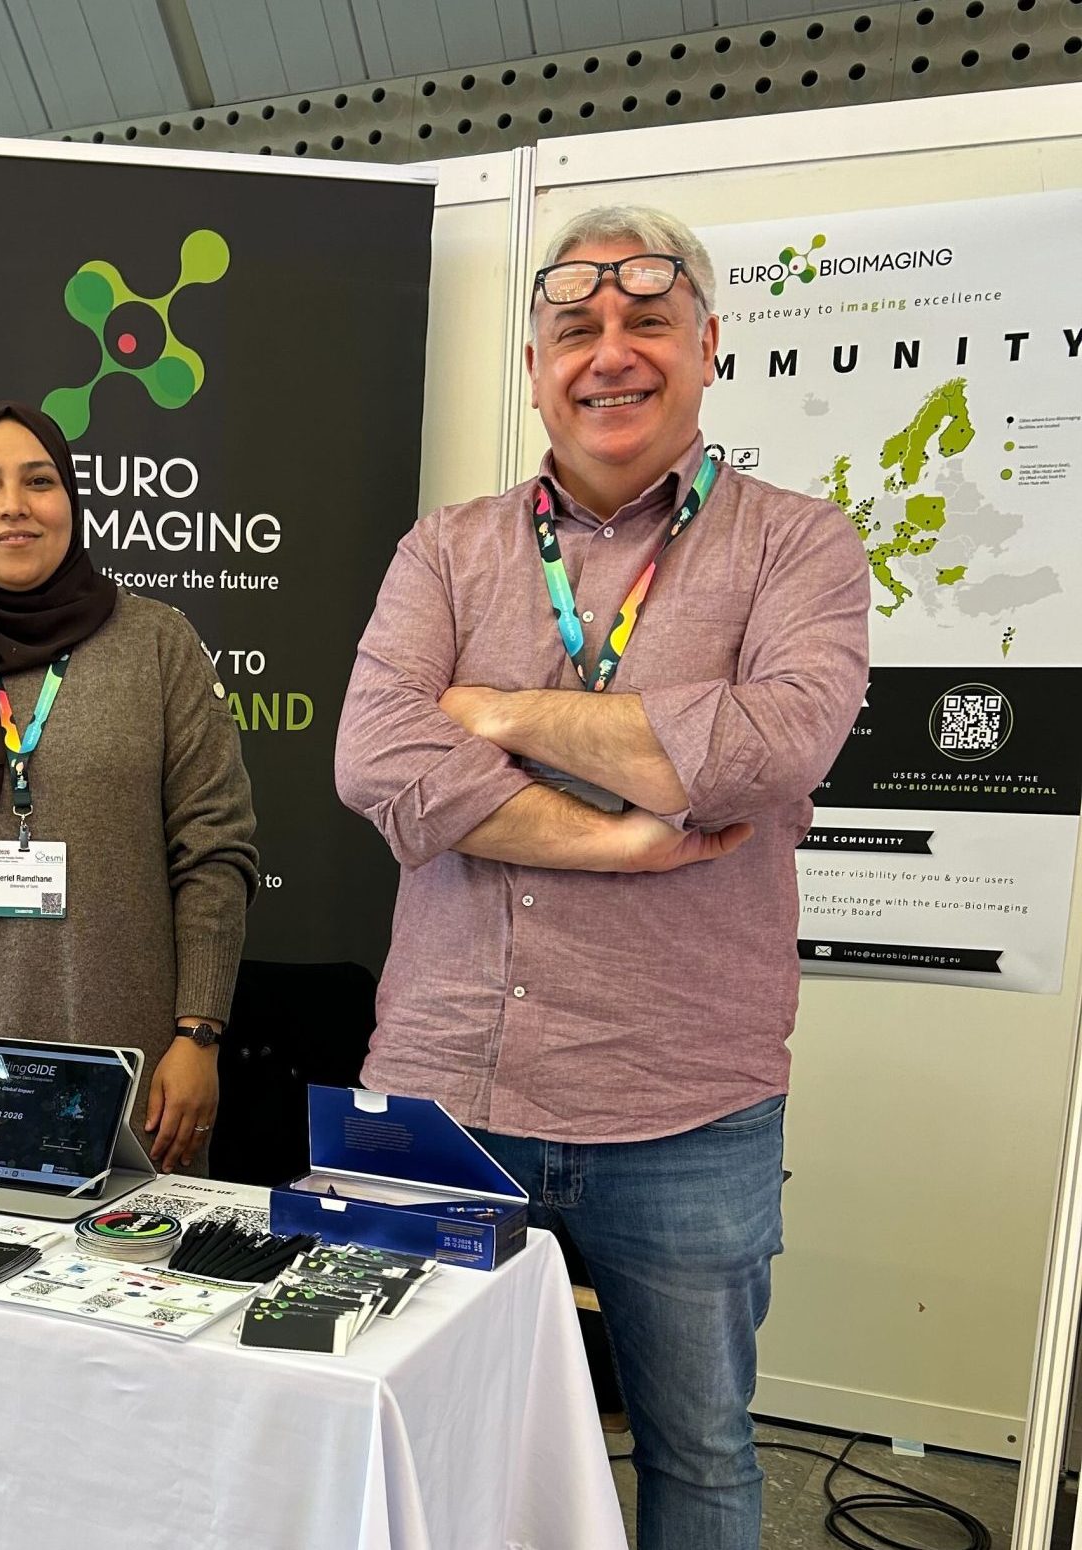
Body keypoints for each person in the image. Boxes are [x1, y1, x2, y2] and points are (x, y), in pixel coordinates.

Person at [334, 207, 869, 1549]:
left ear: (709, 345)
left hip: (687, 1103)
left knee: (701, 1452)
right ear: (534, 366)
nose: (610, 353)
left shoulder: (800, 546)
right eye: (575, 328)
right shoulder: (444, 549)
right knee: (399, 1425)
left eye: (648, 321)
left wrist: (500, 713)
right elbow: (376, 758)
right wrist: (630, 833)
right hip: (445, 1085)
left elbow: (769, 748)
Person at [0, 400, 257, 1172]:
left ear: (71, 498)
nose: (12, 506)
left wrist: (199, 1035)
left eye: (39, 481)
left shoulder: (158, 644)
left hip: (139, 1082)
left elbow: (215, 848)